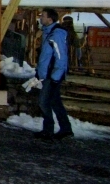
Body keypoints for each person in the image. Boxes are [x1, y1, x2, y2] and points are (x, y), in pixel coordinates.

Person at [34, 8, 74, 141]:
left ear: (49, 19)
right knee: (55, 102)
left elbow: (60, 56)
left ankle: (48, 130)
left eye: (43, 16)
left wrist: (55, 77)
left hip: (52, 75)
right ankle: (65, 129)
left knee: (43, 102)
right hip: (48, 74)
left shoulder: (56, 34)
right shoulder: (48, 32)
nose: (41, 18)